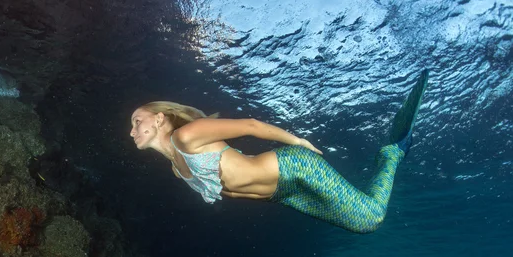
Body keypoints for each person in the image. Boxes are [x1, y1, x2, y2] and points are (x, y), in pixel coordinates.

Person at [129, 70, 429, 233]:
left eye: (136, 121)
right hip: (284, 195)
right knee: (362, 228)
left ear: (158, 119)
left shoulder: (186, 136)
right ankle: (387, 156)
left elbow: (250, 125)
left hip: (293, 167)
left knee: (371, 218)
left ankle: (392, 153)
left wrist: (297, 142)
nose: (131, 131)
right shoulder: (175, 168)